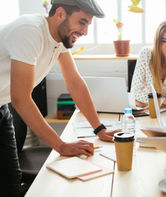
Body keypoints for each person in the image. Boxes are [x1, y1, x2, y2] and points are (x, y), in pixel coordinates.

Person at [0, 0, 118, 196]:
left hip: (1, 108)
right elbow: (20, 98)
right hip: (7, 104)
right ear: (61, 14)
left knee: (10, 186)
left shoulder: (58, 39)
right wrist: (61, 146)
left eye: (88, 24)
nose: (86, 31)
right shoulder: (30, 31)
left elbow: (75, 83)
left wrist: (99, 129)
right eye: (82, 22)